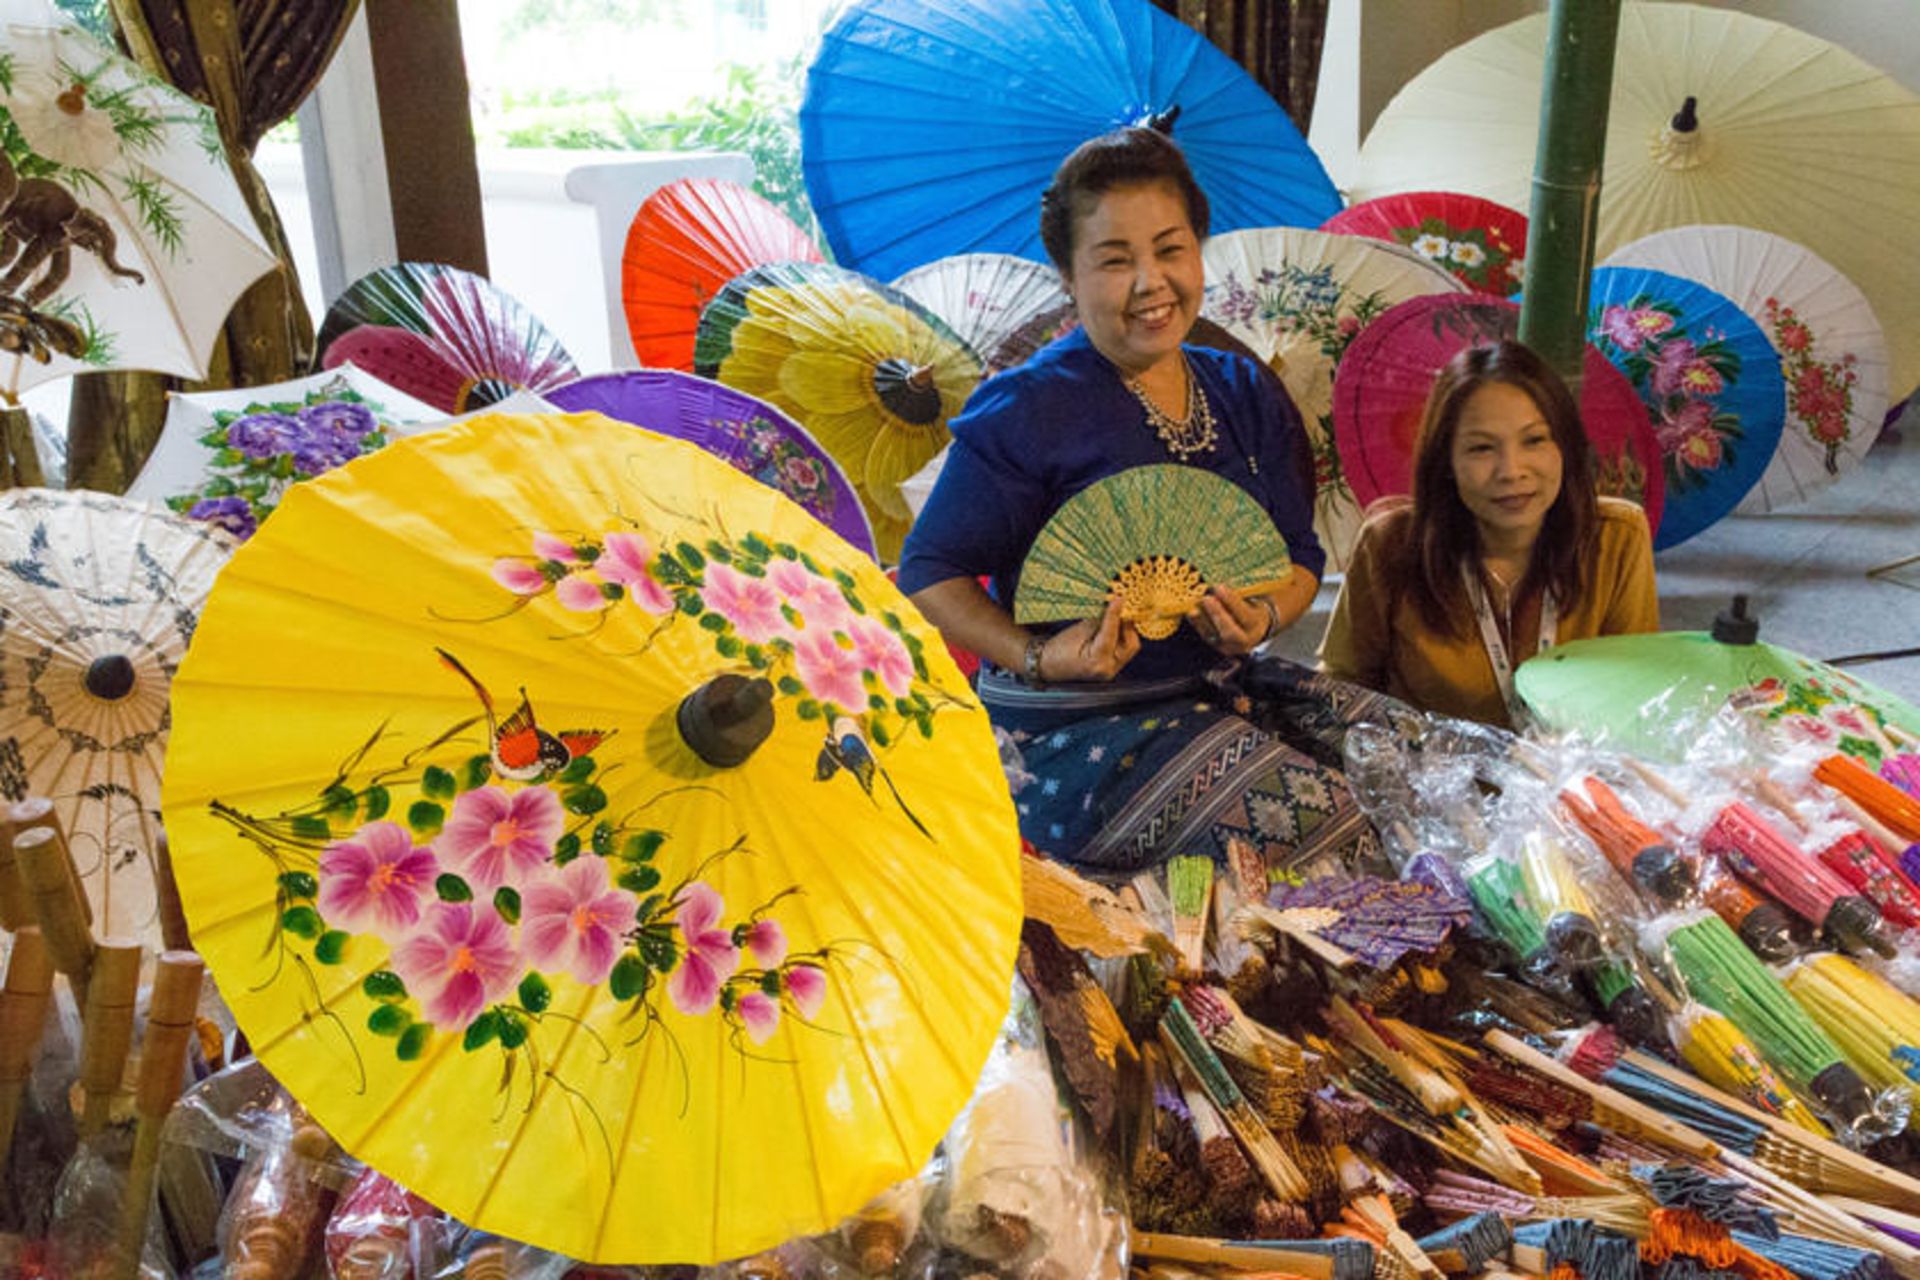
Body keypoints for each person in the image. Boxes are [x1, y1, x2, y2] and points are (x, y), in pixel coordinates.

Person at [899, 126, 1389, 879]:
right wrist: (1040, 654)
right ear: (1067, 273)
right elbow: (930, 572)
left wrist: (1261, 617)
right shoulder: (1027, 407)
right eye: (1114, 260)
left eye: (1170, 249)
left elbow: (1297, 555)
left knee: (1432, 774)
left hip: (1222, 690)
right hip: (1070, 734)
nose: (1150, 282)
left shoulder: (1244, 390)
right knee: (1343, 829)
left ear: (1200, 249)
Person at [1318, 339, 1660, 728]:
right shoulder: (1391, 545)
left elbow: (1632, 692)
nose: (1511, 471)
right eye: (1481, 448)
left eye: (1534, 440)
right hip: (1428, 780)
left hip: (1568, 782)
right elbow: (1342, 686)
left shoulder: (1616, 538)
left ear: (1564, 445)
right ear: (1446, 460)